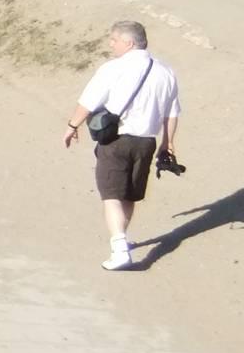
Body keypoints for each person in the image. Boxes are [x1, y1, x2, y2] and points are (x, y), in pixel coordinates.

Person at [63, 21, 182, 271]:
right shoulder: (166, 72)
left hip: (116, 140)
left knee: (111, 195)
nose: (111, 44)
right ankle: (121, 242)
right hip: (146, 142)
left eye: (114, 39)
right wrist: (168, 144)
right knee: (129, 194)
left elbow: (88, 101)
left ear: (129, 43)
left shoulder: (113, 68)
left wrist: (72, 125)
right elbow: (171, 113)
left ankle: (119, 250)